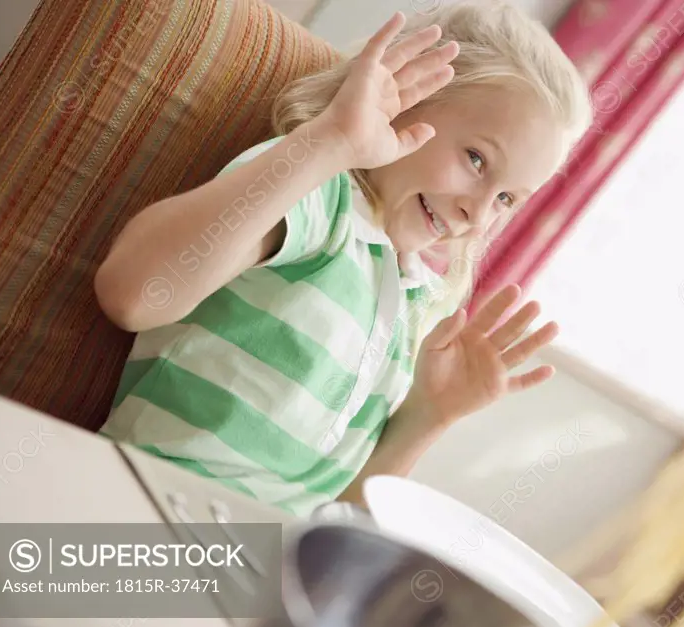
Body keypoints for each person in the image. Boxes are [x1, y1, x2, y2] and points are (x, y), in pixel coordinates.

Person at [92, 2, 593, 517]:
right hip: (143, 513)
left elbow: (342, 521)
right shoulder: (318, 197)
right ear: (403, 95)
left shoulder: (415, 304)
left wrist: (430, 414)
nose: (478, 213)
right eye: (477, 160)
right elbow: (132, 294)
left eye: (508, 199)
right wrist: (328, 144)